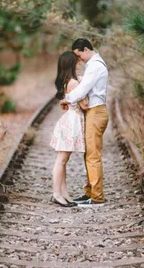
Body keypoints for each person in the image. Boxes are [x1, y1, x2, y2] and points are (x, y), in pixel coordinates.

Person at [60, 38, 109, 206]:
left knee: (93, 156)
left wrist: (66, 99)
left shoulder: (95, 66)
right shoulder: (93, 65)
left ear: (86, 49)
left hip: (96, 112)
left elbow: (82, 90)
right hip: (93, 113)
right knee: (89, 154)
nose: (78, 59)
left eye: (79, 55)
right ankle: (90, 192)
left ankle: (97, 198)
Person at [50, 51, 88, 207]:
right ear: (71, 64)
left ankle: (64, 193)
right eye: (76, 61)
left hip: (70, 119)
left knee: (63, 160)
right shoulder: (73, 82)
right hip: (72, 121)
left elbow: (68, 102)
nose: (79, 62)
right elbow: (85, 104)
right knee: (62, 160)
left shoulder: (69, 81)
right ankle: (56, 194)